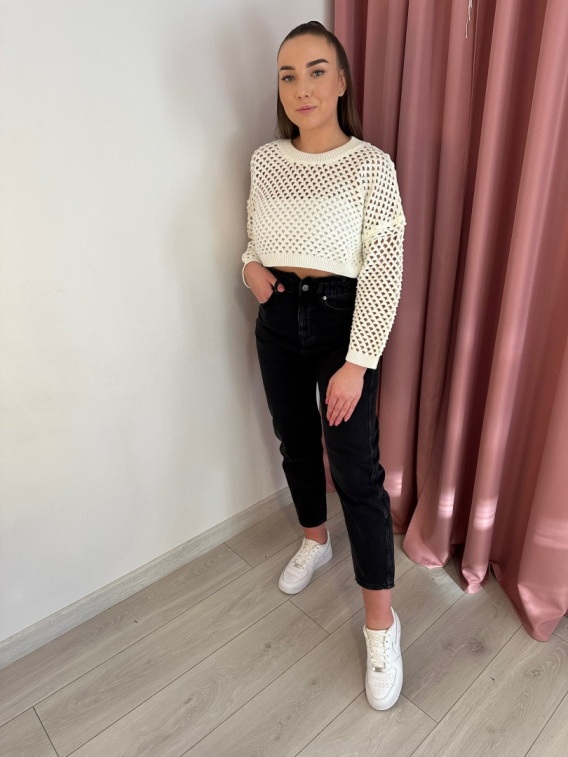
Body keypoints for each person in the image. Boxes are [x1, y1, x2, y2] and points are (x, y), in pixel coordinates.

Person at [241, 21, 406, 711]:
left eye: (315, 71)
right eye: (288, 75)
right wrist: (248, 266)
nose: (301, 87)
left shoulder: (371, 165)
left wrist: (357, 363)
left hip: (345, 321)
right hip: (279, 317)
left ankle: (382, 625)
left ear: (340, 81)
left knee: (358, 472)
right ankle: (315, 539)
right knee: (295, 442)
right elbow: (257, 233)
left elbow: (385, 270)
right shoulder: (266, 159)